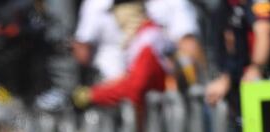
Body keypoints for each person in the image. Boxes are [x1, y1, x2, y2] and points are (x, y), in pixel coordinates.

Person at [73, 0, 203, 85]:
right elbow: (83, 49)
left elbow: (188, 46)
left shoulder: (149, 35)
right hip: (110, 87)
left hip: (153, 93)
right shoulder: (96, 5)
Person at [72, 0, 173, 108]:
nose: (116, 17)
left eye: (119, 9)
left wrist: (93, 95)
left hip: (159, 113)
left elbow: (136, 87)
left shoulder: (148, 40)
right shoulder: (139, 40)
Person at [204, 0, 270, 106]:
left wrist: (256, 67)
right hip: (239, 85)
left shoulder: (258, 2)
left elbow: (264, 32)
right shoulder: (226, 6)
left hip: (265, 81)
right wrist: (226, 78)